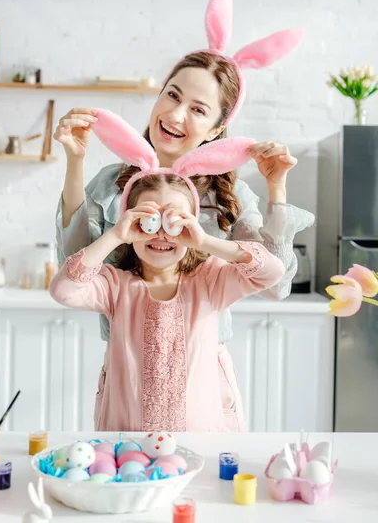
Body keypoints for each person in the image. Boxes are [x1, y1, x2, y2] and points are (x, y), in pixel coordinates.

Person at [54, 0, 314, 428]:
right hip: (127, 371)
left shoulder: (230, 196)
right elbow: (71, 267)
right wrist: (76, 161)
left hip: (200, 379)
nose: (176, 116)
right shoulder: (112, 182)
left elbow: (275, 283)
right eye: (172, 96)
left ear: (217, 130)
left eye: (198, 109)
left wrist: (277, 190)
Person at [50, 110, 285, 431]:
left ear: (217, 127)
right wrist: (117, 234)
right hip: (127, 402)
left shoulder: (210, 280)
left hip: (202, 393)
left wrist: (203, 241)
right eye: (149, 220)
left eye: (198, 108)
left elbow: (272, 275)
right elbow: (68, 279)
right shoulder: (117, 286)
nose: (161, 232)